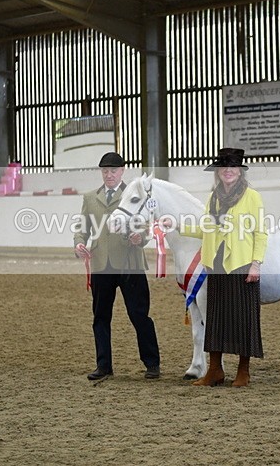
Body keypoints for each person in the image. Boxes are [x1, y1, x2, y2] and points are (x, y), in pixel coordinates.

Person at [175, 148, 268, 387]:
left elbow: (260, 233)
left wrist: (256, 264)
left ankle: (243, 371)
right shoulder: (213, 198)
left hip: (242, 263)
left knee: (243, 317)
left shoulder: (252, 197)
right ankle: (214, 370)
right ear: (218, 172)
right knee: (215, 318)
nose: (228, 171)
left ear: (239, 171)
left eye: (233, 167)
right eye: (223, 167)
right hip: (215, 264)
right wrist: (176, 225)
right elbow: (205, 229)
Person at [74, 152, 160, 382]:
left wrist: (139, 238)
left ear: (122, 171)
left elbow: (145, 227)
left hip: (130, 264)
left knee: (139, 315)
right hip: (102, 264)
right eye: (105, 171)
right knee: (100, 317)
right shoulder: (90, 198)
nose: (109, 175)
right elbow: (82, 227)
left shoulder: (132, 194)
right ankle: (103, 366)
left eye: (113, 170)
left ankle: (152, 363)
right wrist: (79, 242)